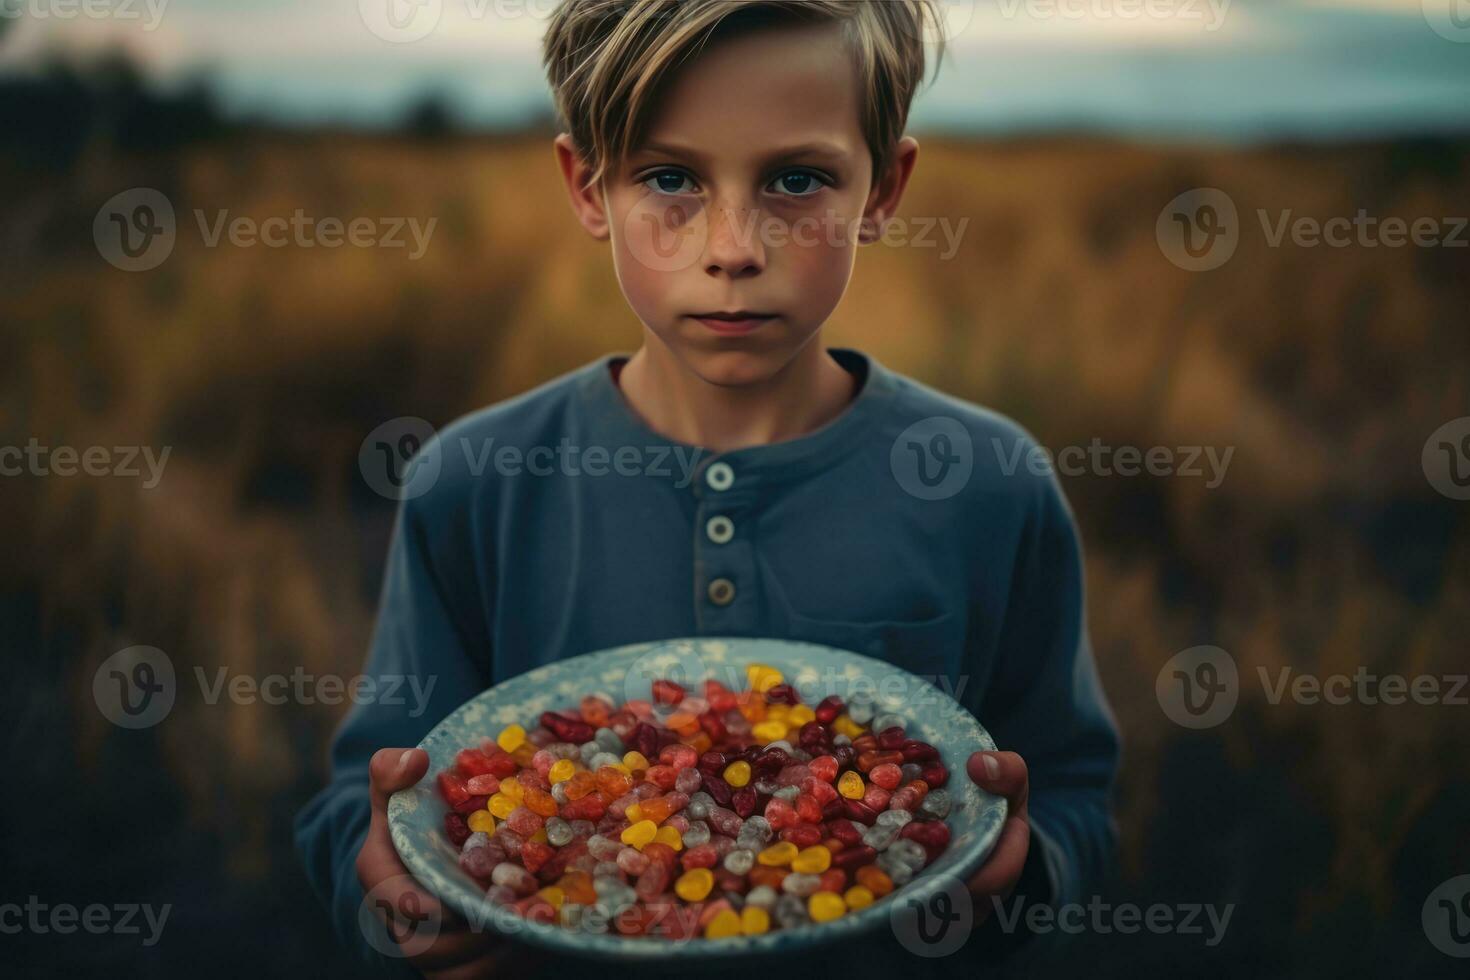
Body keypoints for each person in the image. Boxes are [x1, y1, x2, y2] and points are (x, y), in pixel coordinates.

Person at [296, 2, 1120, 976]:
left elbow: (1069, 790)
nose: (733, 247)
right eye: (671, 179)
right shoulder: (477, 483)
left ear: (884, 189)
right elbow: (369, 795)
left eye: (797, 179)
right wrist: (389, 883)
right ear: (588, 186)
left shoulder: (988, 484)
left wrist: (1026, 876)